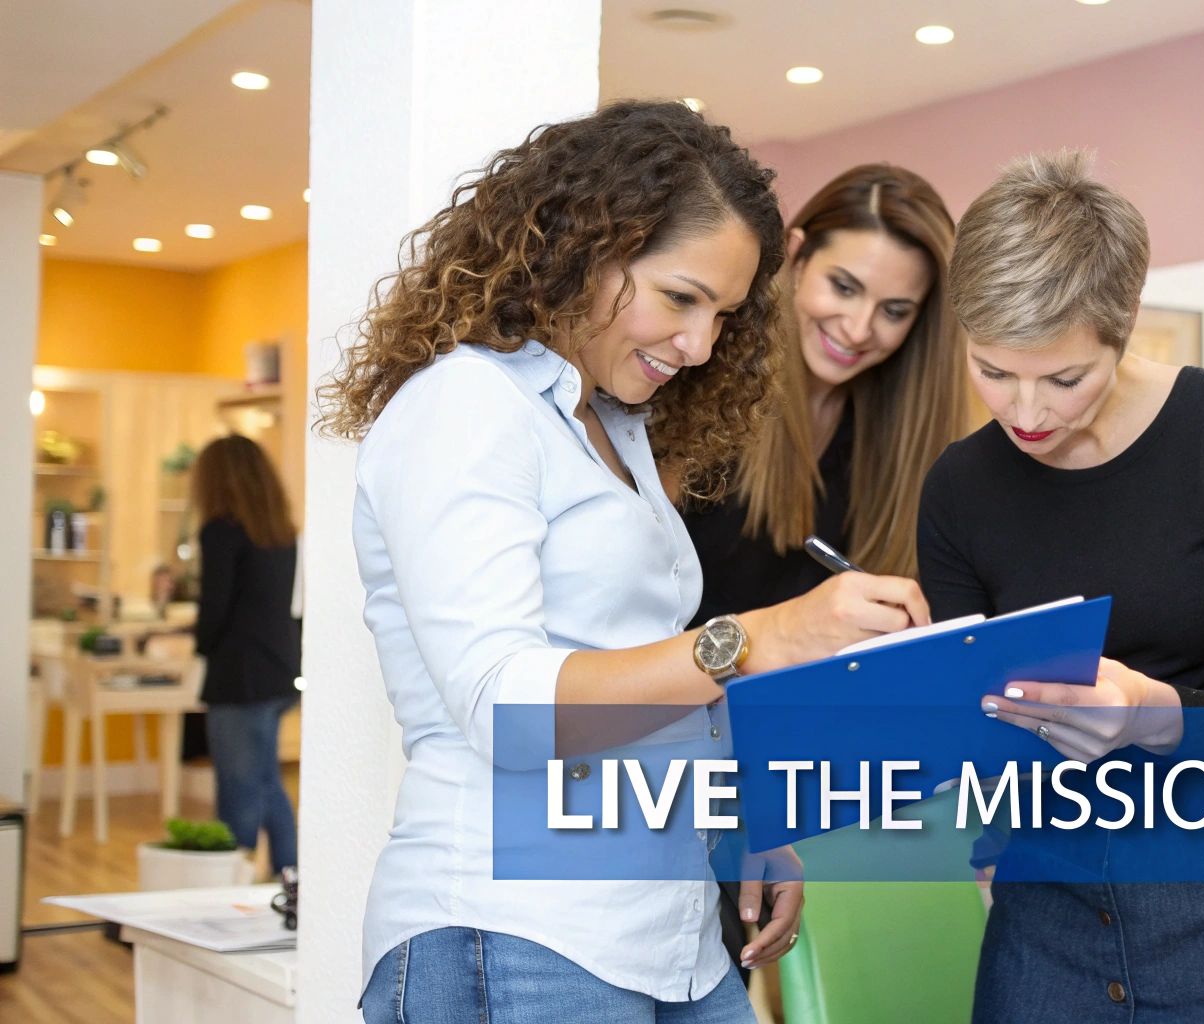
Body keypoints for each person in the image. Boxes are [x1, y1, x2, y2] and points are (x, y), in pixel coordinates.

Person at [316, 100, 930, 1024]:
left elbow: (640, 679)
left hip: (669, 933)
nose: (699, 345)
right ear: (580, 248)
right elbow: (508, 709)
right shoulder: (465, 408)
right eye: (679, 298)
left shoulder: (615, 429)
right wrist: (753, 638)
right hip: (514, 928)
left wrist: (741, 817)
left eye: (722, 314)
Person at [918, 152, 1204, 1023]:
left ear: (1125, 321)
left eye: (1064, 378)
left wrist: (1150, 714)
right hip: (1049, 910)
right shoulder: (959, 486)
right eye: (993, 371)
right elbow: (976, 726)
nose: (1026, 412)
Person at [683, 163, 967, 618]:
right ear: (796, 257)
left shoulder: (897, 439)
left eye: (894, 311)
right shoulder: (696, 388)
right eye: (844, 287)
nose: (858, 330)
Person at [190, 434, 300, 878]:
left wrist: (198, 642)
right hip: (278, 672)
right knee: (265, 782)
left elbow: (215, 609)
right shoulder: (280, 532)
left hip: (239, 678)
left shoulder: (221, 530)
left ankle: (228, 889)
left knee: (238, 790)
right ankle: (292, 876)